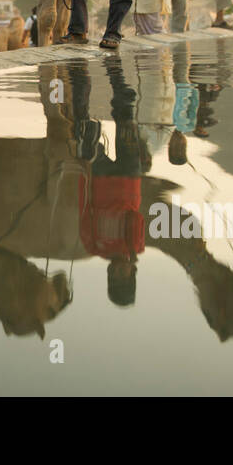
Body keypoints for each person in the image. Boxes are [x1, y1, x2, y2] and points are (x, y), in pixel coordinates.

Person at [68, 57, 149, 307]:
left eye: (114, 277)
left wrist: (84, 175)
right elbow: (135, 217)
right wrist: (131, 253)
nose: (117, 272)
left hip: (100, 177)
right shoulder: (135, 246)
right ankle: (117, 74)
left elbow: (84, 208)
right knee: (126, 118)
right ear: (132, 274)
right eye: (123, 276)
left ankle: (79, 79)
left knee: (84, 135)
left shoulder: (94, 246)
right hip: (128, 175)